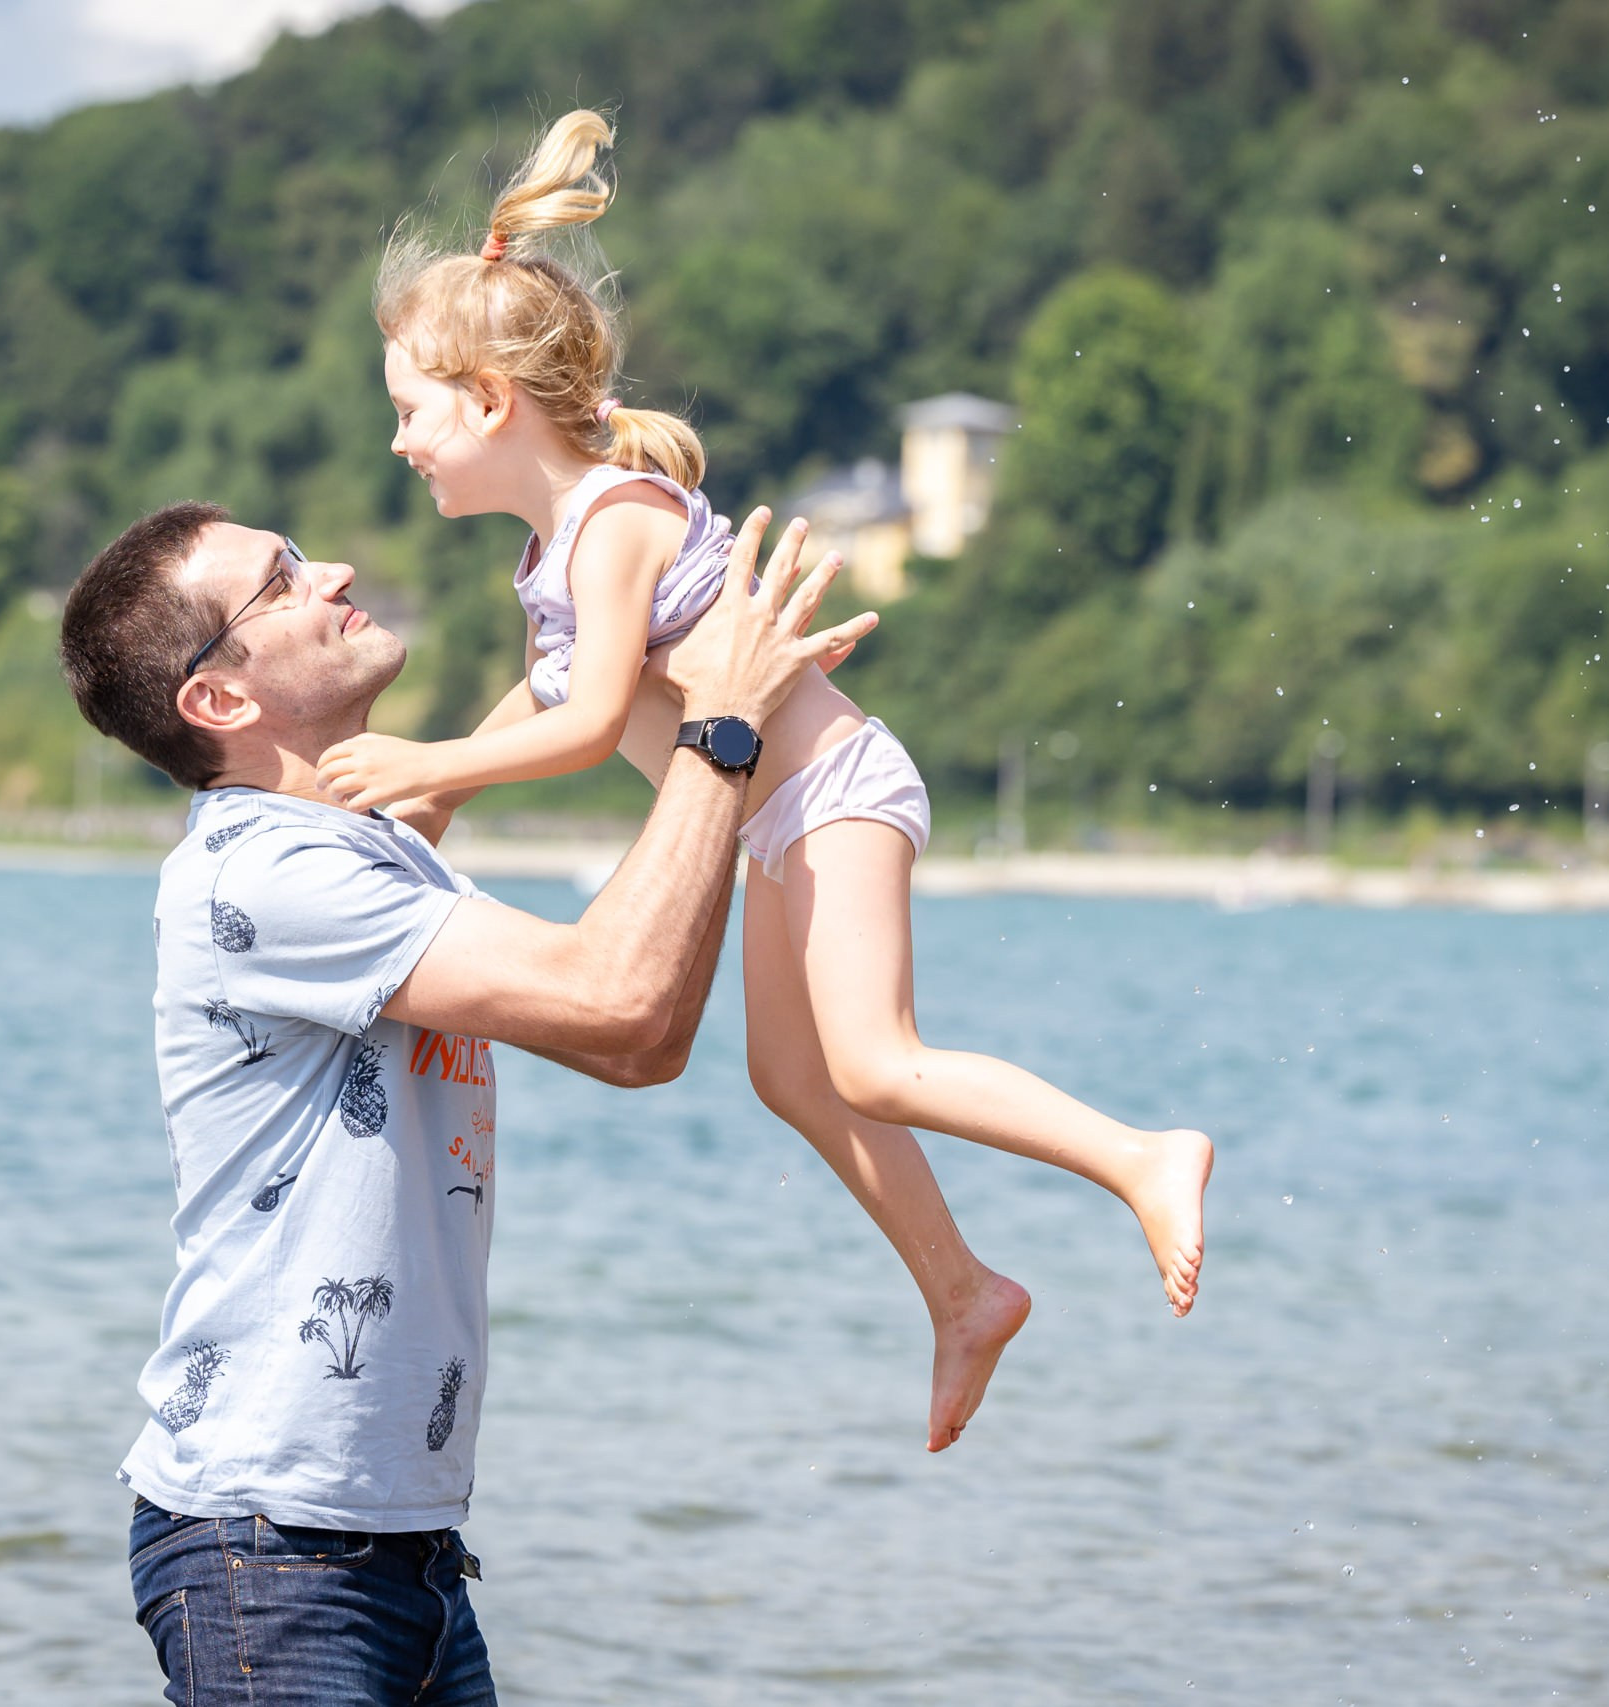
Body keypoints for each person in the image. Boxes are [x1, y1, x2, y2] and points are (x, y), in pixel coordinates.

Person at [313, 110, 1213, 1454]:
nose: (398, 443)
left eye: (408, 413)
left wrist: (429, 760)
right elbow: (545, 694)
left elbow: (597, 719)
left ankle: (1143, 1154)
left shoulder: (616, 521)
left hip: (838, 786)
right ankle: (964, 1290)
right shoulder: (552, 551)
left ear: (489, 403)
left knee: (873, 1056)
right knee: (793, 1077)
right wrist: (441, 796)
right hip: (777, 821)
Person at [59, 497, 869, 1706]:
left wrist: (635, 632)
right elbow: (621, 1002)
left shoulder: (365, 850)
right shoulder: (267, 873)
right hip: (272, 1550)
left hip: (399, 1549)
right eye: (279, 581)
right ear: (217, 699)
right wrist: (722, 726)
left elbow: (639, 1045)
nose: (329, 569)